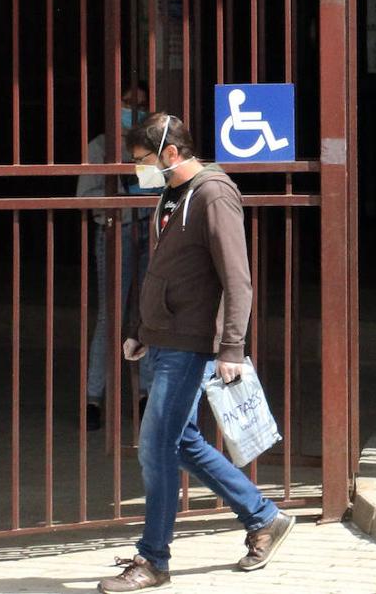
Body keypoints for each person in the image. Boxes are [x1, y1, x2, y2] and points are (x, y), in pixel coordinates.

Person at [97, 113, 293, 593]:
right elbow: (169, 270)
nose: (136, 170)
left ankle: (153, 558)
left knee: (155, 446)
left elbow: (237, 277)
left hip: (191, 344)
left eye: (141, 161)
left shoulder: (213, 194)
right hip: (164, 337)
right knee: (180, 442)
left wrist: (231, 346)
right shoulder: (171, 194)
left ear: (170, 154)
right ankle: (263, 517)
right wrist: (143, 328)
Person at [76, 88, 160, 431]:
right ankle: (93, 400)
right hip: (116, 234)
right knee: (109, 317)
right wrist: (123, 203)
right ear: (116, 106)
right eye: (128, 104)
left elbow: (160, 192)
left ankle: (145, 396)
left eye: (140, 106)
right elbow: (86, 196)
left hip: (148, 234)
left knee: (146, 316)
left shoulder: (152, 148)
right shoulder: (100, 145)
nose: (133, 111)